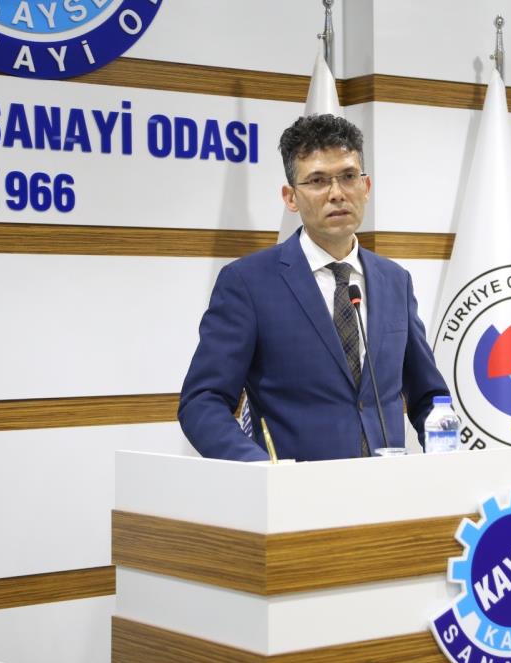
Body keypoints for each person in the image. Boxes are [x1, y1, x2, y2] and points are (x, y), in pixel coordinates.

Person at [178, 114, 450, 461]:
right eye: (318, 181)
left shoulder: (394, 280)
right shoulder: (248, 283)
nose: (337, 194)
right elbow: (202, 401)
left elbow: (428, 397)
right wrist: (261, 469)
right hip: (294, 490)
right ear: (290, 197)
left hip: (388, 487)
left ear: (366, 187)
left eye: (348, 177)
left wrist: (448, 459)